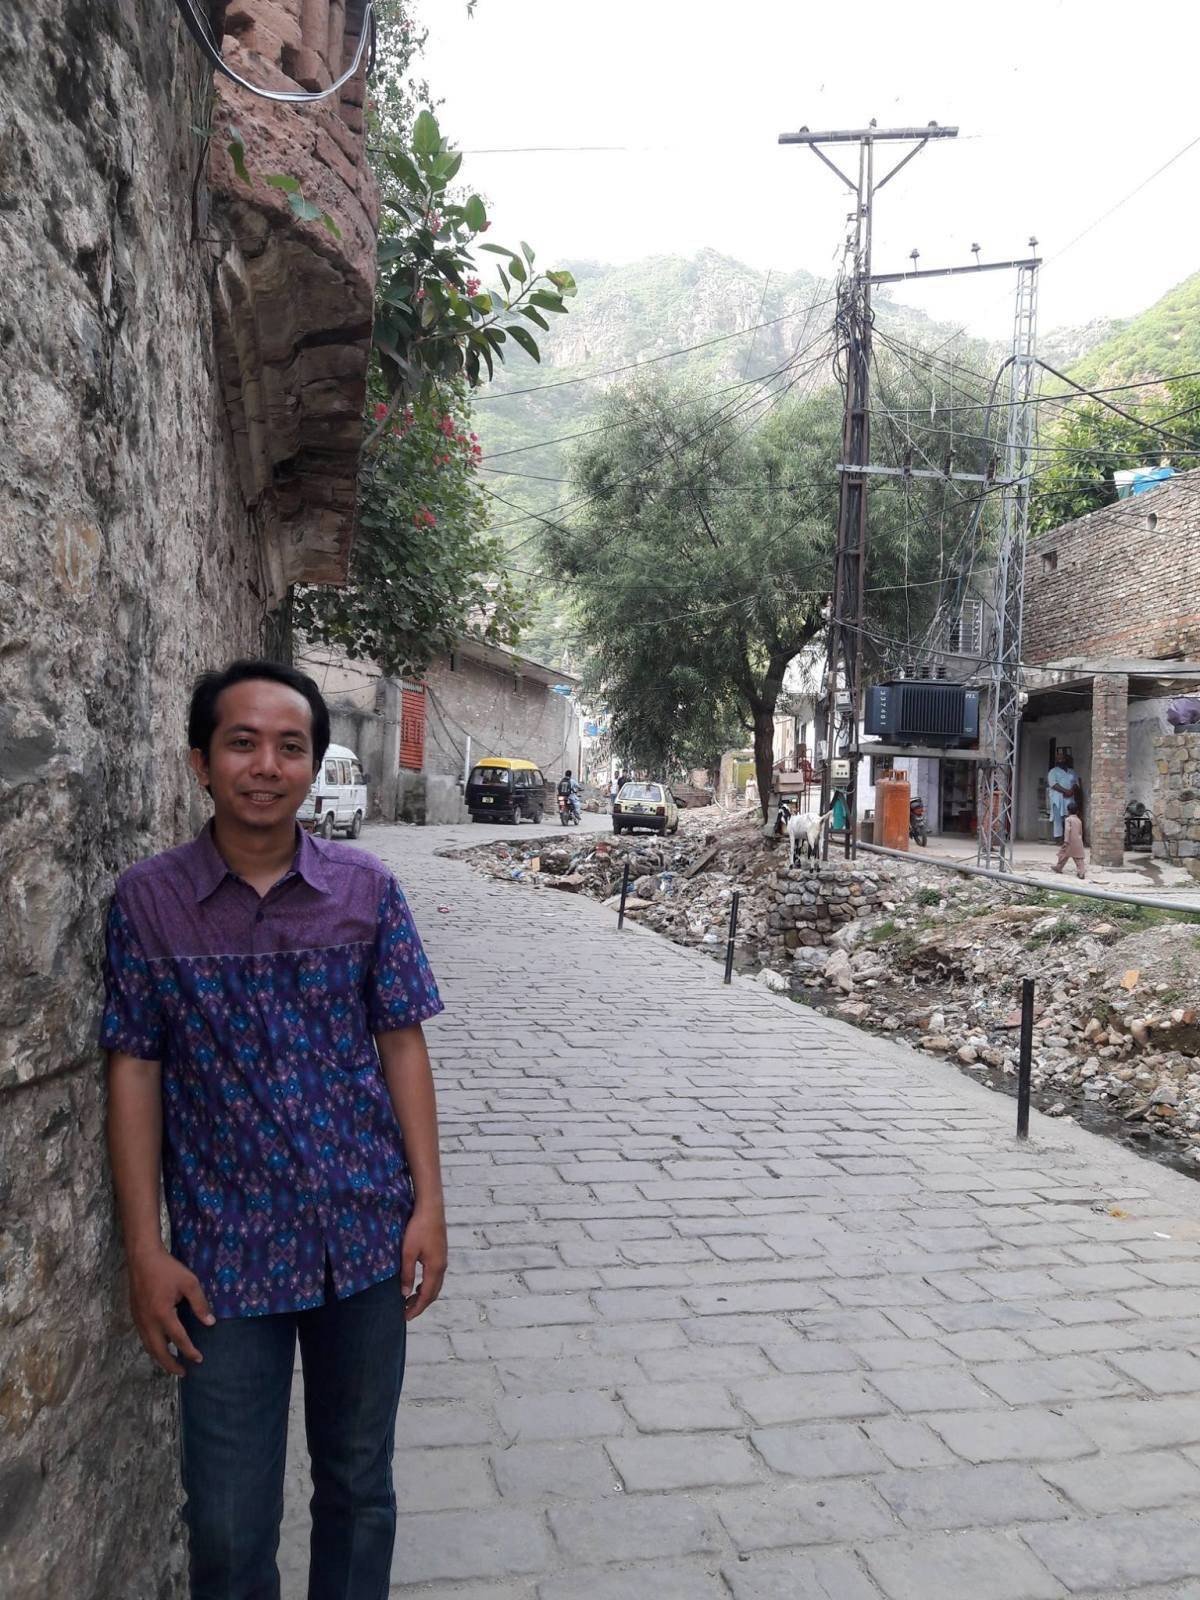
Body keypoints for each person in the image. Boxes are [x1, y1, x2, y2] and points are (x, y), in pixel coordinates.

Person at [101, 659, 447, 1600]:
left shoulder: (366, 891)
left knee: (358, 1491)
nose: (266, 765)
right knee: (225, 1524)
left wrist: (428, 1207)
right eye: (241, 743)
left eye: (290, 747)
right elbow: (134, 1067)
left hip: (362, 1241)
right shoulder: (148, 903)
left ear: (312, 763)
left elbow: (401, 1043)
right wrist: (144, 1250)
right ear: (199, 762)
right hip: (221, 1259)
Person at [1046, 747, 1079, 842]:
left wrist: (1071, 790)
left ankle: (1069, 838)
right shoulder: (1053, 771)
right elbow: (1053, 784)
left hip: (1070, 798)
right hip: (1058, 798)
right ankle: (1059, 838)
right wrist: (1065, 791)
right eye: (1059, 759)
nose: (1061, 761)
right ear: (1056, 761)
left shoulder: (1072, 771)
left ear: (1066, 760)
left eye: (1063, 759)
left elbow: (1076, 783)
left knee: (1069, 818)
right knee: (1058, 818)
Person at [1054, 799, 1087, 879]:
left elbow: (1067, 830)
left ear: (1068, 811)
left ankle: (1058, 867)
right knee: (1078, 858)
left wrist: (1066, 840)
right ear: (1077, 811)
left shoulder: (1068, 819)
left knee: (1063, 855)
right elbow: (1080, 832)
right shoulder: (1079, 820)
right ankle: (1081, 872)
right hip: (1078, 841)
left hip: (1069, 841)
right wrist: (1080, 841)